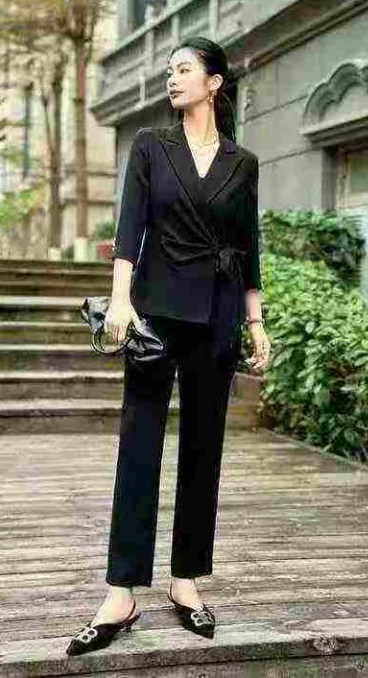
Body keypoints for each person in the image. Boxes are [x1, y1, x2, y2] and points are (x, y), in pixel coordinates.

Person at [66, 36, 271, 656]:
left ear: (214, 82)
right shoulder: (151, 146)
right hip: (154, 312)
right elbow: (130, 227)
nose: (173, 78)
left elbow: (249, 244)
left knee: (204, 450)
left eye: (184, 69)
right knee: (139, 447)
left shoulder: (242, 162)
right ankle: (121, 592)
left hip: (218, 315)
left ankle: (186, 582)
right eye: (170, 71)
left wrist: (256, 322)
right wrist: (120, 300)